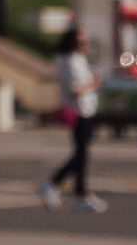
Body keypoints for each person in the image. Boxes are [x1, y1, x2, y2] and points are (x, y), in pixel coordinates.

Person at [39, 26, 106, 212]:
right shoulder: (70, 61)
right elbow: (75, 90)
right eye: (81, 42)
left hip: (85, 110)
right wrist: (93, 84)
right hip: (79, 111)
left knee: (82, 154)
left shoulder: (74, 59)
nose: (85, 45)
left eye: (86, 41)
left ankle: (78, 192)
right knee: (81, 155)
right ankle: (57, 185)